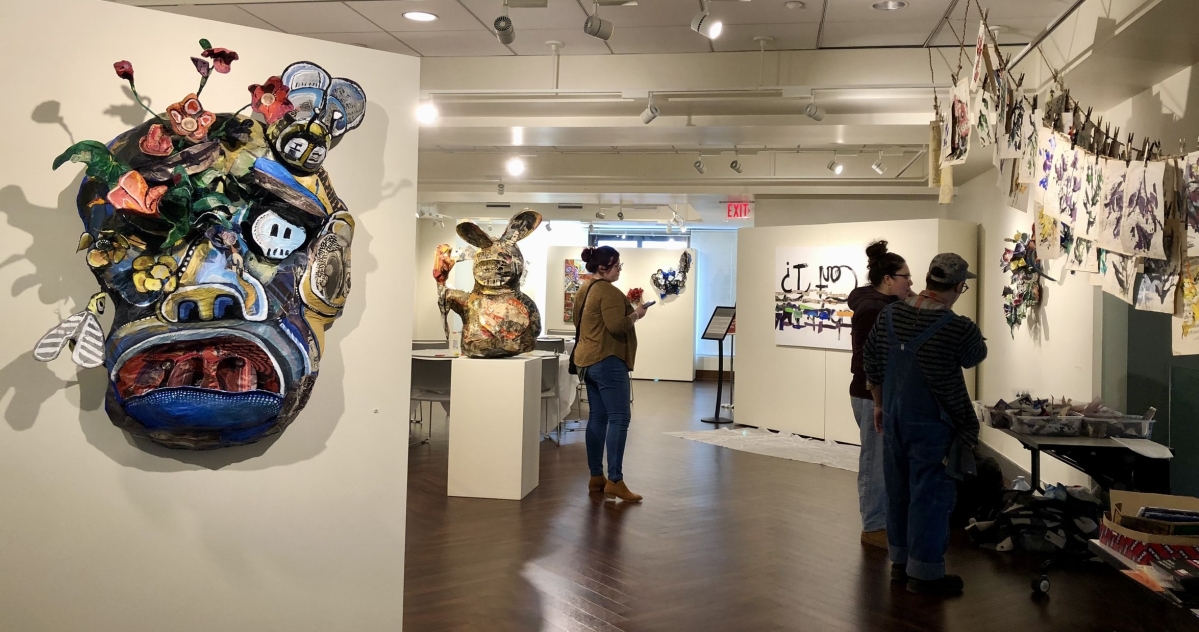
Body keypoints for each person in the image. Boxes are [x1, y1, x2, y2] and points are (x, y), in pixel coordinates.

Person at [863, 253, 987, 596]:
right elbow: (974, 356)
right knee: (930, 497)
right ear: (960, 286)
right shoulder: (958, 327)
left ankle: (900, 566)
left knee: (898, 492)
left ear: (928, 279)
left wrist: (878, 404)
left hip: (894, 418)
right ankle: (926, 575)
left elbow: (870, 360)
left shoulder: (890, 314)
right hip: (934, 424)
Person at [847, 241, 913, 549]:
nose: (910, 283)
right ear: (888, 279)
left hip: (881, 394)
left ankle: (882, 521)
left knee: (882, 459)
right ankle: (873, 526)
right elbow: (866, 360)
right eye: (905, 277)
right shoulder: (873, 309)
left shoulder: (881, 305)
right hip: (871, 395)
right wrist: (879, 401)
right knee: (874, 460)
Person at [573, 246, 648, 503]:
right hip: (608, 360)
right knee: (619, 418)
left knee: (597, 418)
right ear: (603, 267)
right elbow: (617, 326)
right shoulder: (609, 291)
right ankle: (615, 480)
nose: (619, 270)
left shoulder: (584, 289)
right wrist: (636, 314)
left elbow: (578, 322)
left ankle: (597, 476)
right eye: (617, 266)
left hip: (587, 361)